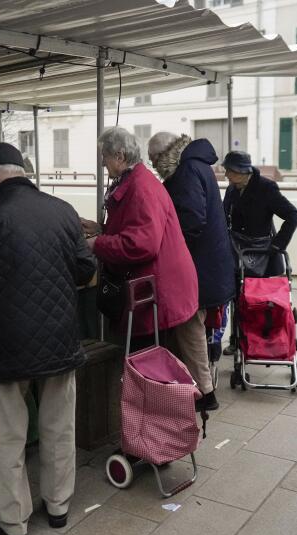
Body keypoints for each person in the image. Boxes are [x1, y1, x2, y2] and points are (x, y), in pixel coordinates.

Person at [0, 142, 95, 535]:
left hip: (6, 344)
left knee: (8, 437)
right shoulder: (63, 210)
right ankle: (58, 506)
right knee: (59, 428)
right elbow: (85, 268)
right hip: (59, 339)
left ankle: (14, 523)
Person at [82, 127, 202, 398]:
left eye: (104, 156)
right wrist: (101, 229)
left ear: (120, 156)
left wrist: (96, 244)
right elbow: (134, 228)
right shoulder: (138, 180)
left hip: (158, 287)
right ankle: (162, 414)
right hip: (158, 284)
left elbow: (142, 244)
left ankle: (153, 420)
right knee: (159, 358)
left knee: (150, 360)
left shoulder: (141, 187)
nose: (102, 162)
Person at [147, 132, 235, 410]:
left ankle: (205, 394)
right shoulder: (196, 164)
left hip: (200, 268)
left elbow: (191, 220)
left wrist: (167, 245)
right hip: (212, 265)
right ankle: (197, 386)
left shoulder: (186, 171)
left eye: (153, 159)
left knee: (190, 326)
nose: (152, 165)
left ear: (163, 155)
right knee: (193, 328)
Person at [221, 151, 297, 355]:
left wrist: (277, 245)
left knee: (257, 299)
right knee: (236, 297)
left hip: (262, 253)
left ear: (241, 171)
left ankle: (260, 339)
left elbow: (292, 215)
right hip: (237, 250)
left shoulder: (266, 188)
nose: (226, 175)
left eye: (229, 171)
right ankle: (237, 340)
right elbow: (223, 216)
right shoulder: (232, 189)